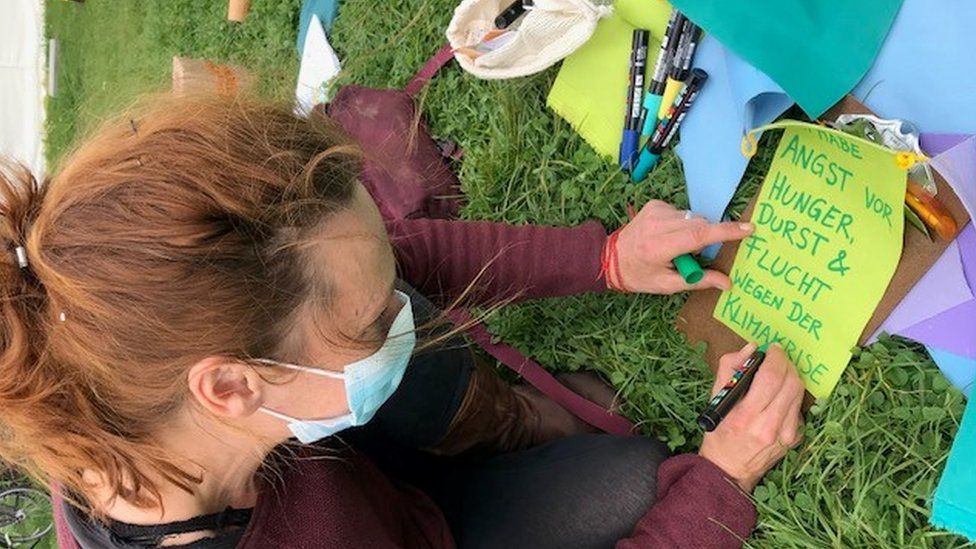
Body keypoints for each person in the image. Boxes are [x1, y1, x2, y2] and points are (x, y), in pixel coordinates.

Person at [0, 96, 805, 549]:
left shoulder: (117, 383)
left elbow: (394, 258)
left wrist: (607, 257)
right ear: (232, 385)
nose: (408, 312)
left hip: (374, 489)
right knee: (636, 479)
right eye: (371, 317)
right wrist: (720, 484)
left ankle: (506, 426)